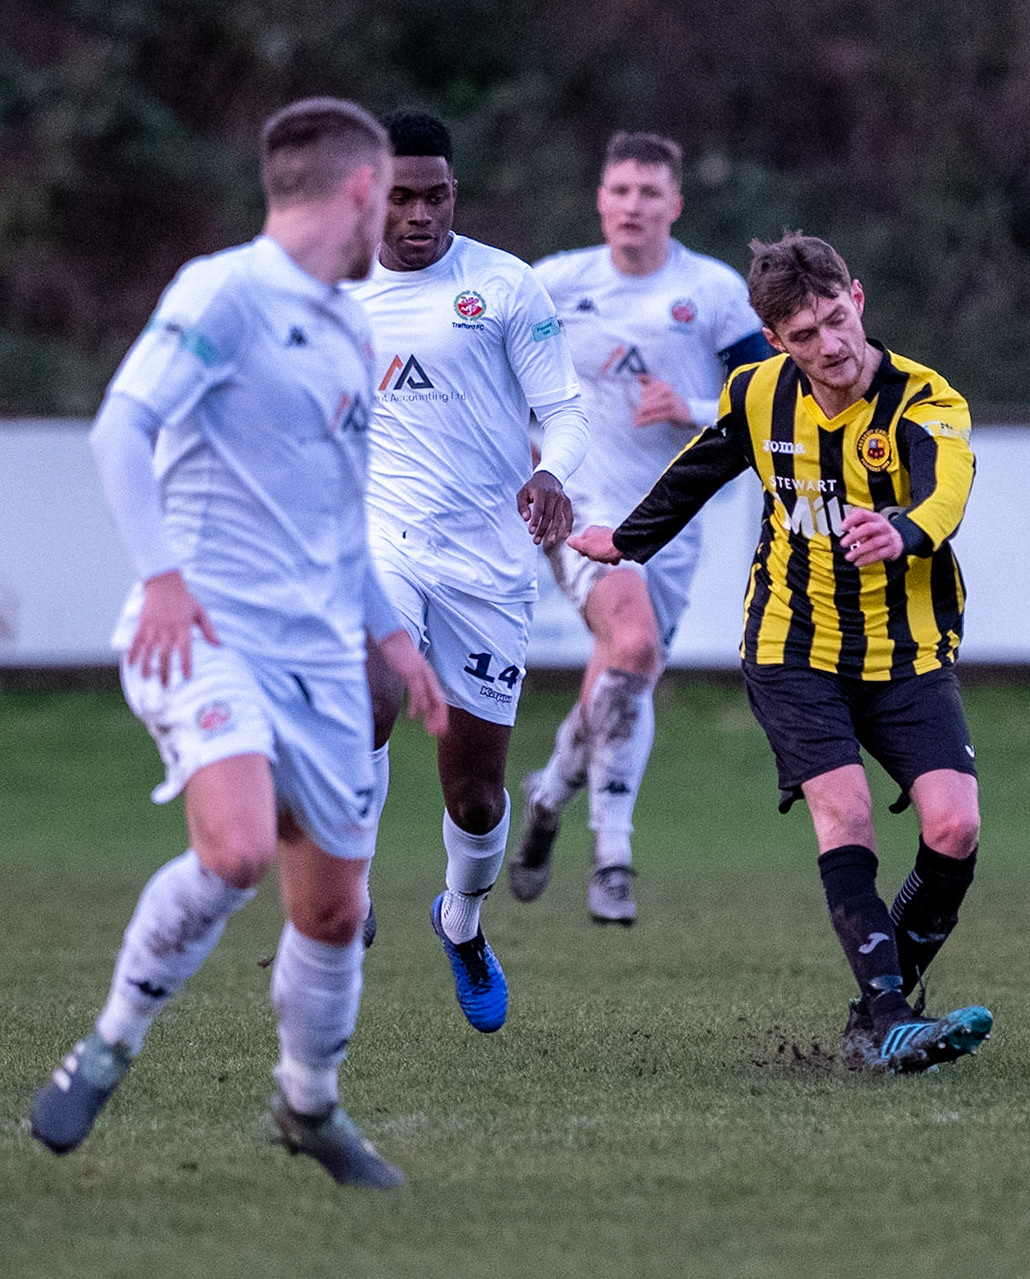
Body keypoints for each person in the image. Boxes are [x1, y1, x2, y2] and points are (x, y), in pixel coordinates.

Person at [29, 98, 448, 1187]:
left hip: (320, 658)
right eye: (388, 197)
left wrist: (396, 645)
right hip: (208, 629)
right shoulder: (227, 292)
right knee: (236, 850)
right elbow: (123, 425)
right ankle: (107, 1045)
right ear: (360, 189)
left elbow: (339, 518)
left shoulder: (350, 327)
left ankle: (309, 1108)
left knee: (334, 905)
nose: (394, 221)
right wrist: (164, 575)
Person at [568, 232, 992, 1074]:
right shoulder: (758, 392)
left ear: (859, 298)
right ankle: (889, 1017)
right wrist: (627, 540)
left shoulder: (924, 398)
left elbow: (945, 488)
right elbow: (703, 465)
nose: (830, 345)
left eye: (837, 320)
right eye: (805, 335)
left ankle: (878, 1011)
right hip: (792, 646)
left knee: (955, 826)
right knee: (848, 814)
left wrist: (903, 530)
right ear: (776, 342)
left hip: (905, 650)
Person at [347, 110, 590, 1033]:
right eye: (402, 196)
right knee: (369, 697)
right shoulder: (328, 290)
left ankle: (461, 918)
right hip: (383, 541)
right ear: (370, 193)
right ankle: (348, 891)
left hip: (488, 562)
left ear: (455, 192)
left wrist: (550, 472)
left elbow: (563, 410)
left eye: (435, 195)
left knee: (477, 793)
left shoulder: (502, 284)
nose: (419, 214)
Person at [507, 131, 772, 924]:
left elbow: (768, 392)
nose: (633, 206)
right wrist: (526, 450)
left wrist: (690, 409)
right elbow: (493, 374)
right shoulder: (554, 283)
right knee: (632, 646)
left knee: (626, 669)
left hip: (673, 521)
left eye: (649, 193)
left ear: (675, 205)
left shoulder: (715, 291)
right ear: (600, 198)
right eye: (620, 190)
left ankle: (552, 790)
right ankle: (613, 854)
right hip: (584, 511)